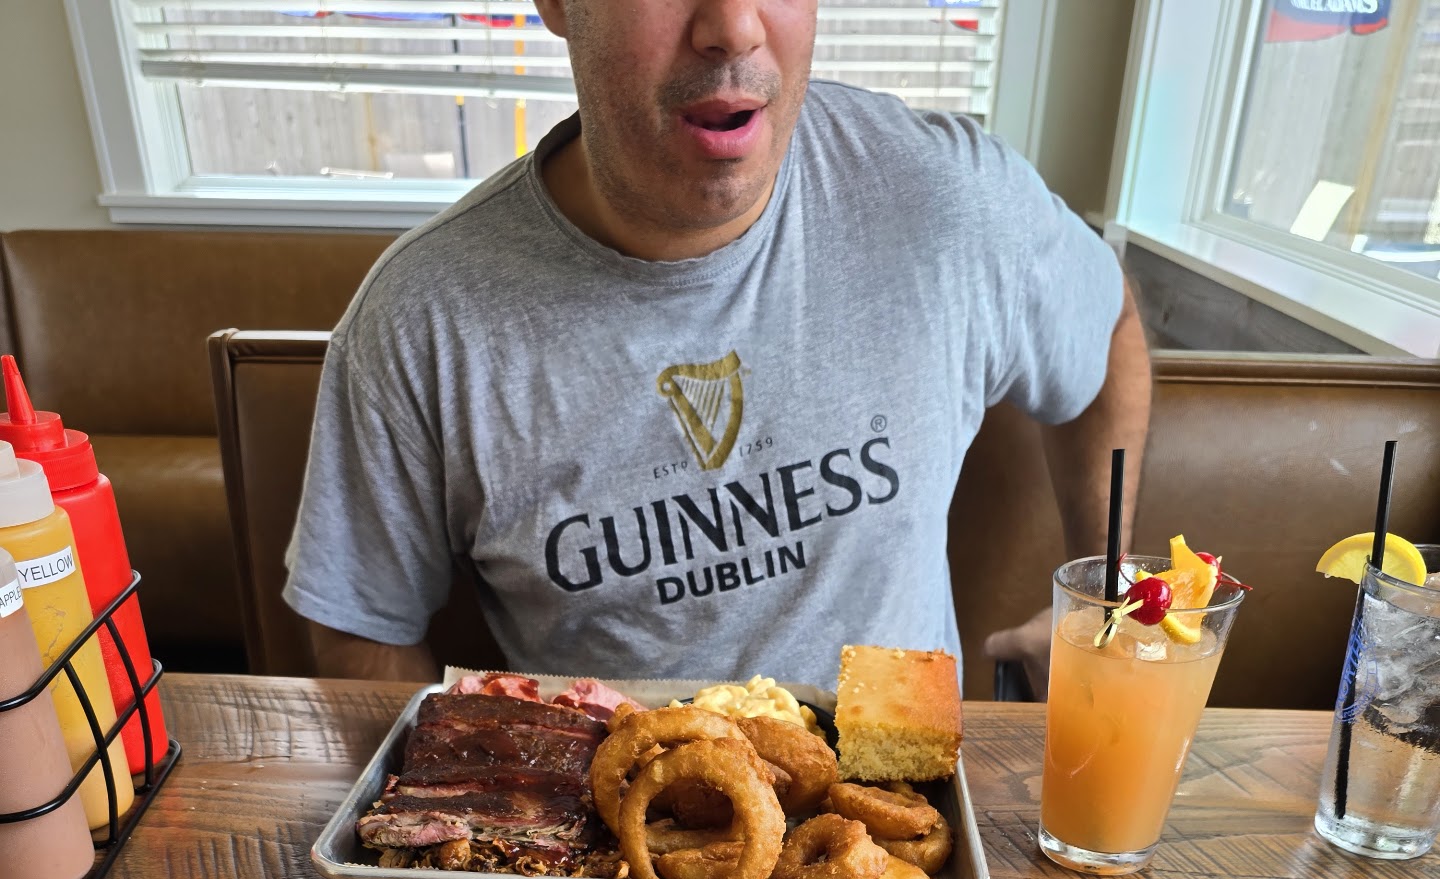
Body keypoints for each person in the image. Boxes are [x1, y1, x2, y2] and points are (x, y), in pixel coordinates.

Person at [285, 0, 1150, 695]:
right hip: (609, 835)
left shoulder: (946, 200)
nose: (734, 27)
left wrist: (1102, 602)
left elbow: (1107, 328)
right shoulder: (423, 316)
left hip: (903, 821)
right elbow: (360, 626)